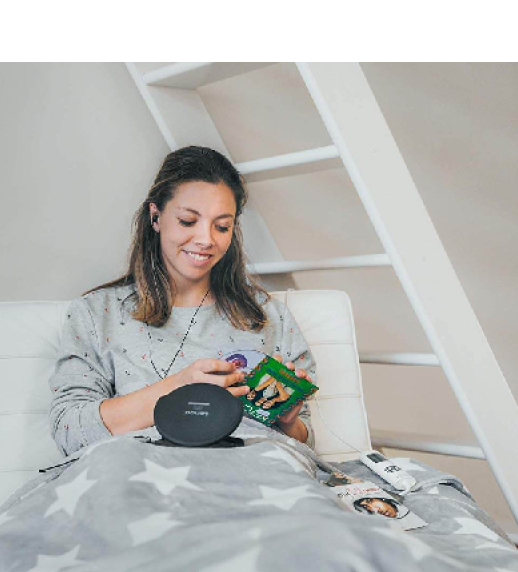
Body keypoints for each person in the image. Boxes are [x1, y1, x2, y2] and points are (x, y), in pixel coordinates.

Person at [48, 146, 318, 457]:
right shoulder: (97, 314)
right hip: (142, 473)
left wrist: (287, 422)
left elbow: (305, 443)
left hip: (253, 472)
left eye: (222, 226)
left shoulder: (267, 315)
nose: (206, 240)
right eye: (188, 221)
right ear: (155, 217)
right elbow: (70, 432)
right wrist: (176, 389)